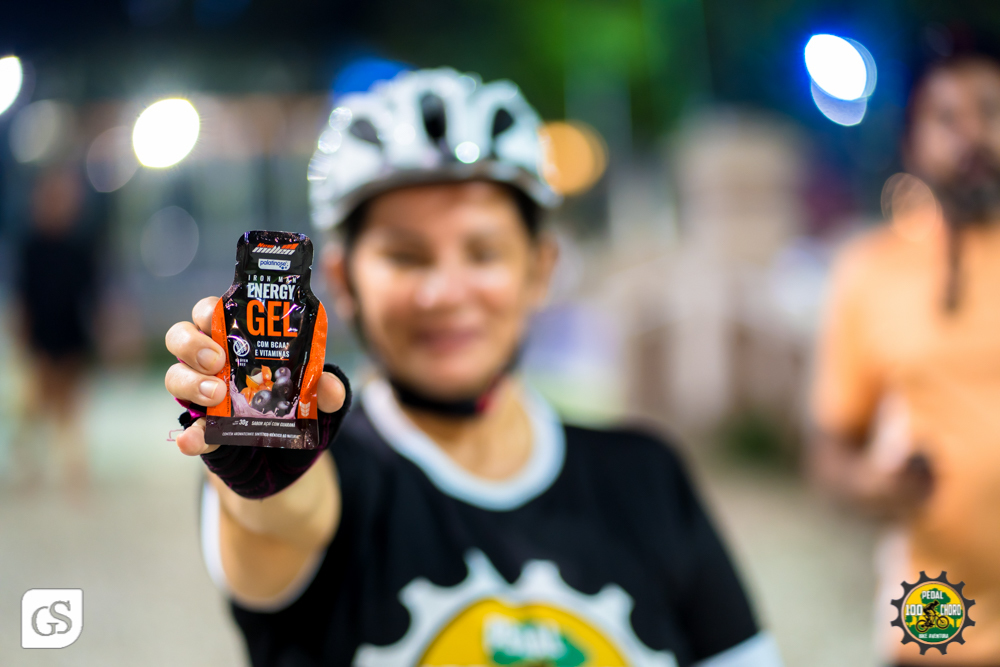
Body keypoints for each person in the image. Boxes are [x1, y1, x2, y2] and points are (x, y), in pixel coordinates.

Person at [165, 68, 782, 667]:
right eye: (406, 256)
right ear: (343, 281)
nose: (445, 293)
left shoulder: (647, 479)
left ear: (540, 268)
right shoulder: (334, 470)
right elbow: (282, 518)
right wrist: (261, 466)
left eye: (484, 252)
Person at [810, 53, 1000, 665]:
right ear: (912, 140)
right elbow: (830, 446)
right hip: (938, 615)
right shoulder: (872, 271)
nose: (972, 136)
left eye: (990, 111)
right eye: (946, 118)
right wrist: (873, 484)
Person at [10, 165, 96, 495]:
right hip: (42, 336)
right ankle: (28, 463)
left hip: (71, 334)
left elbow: (94, 295)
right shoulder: (32, 246)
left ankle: (73, 467)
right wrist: (22, 334)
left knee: (69, 404)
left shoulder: (80, 245)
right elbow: (23, 296)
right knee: (35, 402)